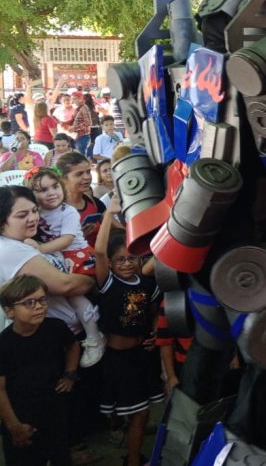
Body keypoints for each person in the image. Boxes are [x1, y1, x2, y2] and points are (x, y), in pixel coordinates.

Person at [93, 198, 163, 466]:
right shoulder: (108, 283)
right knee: (138, 414)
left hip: (141, 356)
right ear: (110, 264)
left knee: (140, 413)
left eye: (131, 258)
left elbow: (155, 309)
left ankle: (131, 456)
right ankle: (133, 460)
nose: (126, 264)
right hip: (118, 360)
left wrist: (156, 331)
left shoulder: (145, 283)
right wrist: (109, 214)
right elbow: (99, 251)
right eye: (119, 260)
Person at [24, 168, 105, 367]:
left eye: (55, 186)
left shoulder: (67, 211)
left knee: (75, 296)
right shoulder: (38, 212)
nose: (51, 193)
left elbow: (67, 239)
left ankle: (95, 336)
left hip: (76, 256)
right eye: (42, 190)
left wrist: (40, 249)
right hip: (58, 256)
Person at [0, 275, 80, 466]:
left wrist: (70, 373)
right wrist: (14, 426)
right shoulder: (4, 344)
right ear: (10, 311)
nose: (39, 306)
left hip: (54, 411)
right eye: (29, 303)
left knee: (60, 456)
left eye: (42, 300)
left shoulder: (55, 327)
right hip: (22, 416)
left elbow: (73, 345)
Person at [56, 152, 105, 248]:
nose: (87, 177)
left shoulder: (94, 202)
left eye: (88, 172)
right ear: (63, 178)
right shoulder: (55, 209)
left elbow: (115, 229)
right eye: (79, 174)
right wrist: (78, 237)